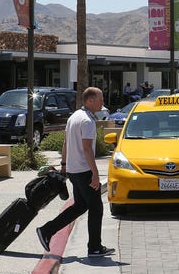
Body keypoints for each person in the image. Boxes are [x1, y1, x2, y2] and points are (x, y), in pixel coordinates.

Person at [36, 87, 114, 257]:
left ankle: (47, 231)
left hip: (74, 171)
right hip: (84, 171)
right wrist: (95, 174)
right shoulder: (87, 121)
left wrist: (64, 166)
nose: (103, 103)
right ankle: (94, 247)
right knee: (96, 207)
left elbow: (65, 143)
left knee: (80, 206)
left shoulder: (74, 117)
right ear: (89, 100)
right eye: (100, 99)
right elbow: (87, 149)